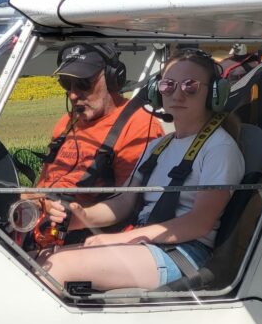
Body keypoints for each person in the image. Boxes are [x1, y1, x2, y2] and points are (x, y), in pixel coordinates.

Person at [39, 47, 245, 290]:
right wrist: (80, 217)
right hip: (147, 243)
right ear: (157, 92)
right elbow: (124, 202)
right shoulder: (159, 146)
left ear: (214, 93)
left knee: (58, 266)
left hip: (184, 251)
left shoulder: (219, 148)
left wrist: (119, 239)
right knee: (38, 260)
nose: (177, 95)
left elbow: (199, 223)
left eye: (190, 86)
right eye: (168, 85)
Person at [22, 42, 162, 247]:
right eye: (66, 83)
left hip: (84, 234)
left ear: (113, 78)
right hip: (39, 225)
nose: (73, 94)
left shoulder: (138, 125)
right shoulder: (66, 122)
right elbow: (44, 184)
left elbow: (127, 205)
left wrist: (72, 215)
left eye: (83, 83)